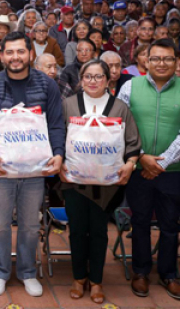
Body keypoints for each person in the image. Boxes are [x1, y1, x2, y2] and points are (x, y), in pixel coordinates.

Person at [0, 32, 65, 298]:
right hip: (1, 168)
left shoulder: (47, 86)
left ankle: (27, 271)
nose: (15, 57)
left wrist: (58, 154)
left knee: (29, 223)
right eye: (9, 52)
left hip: (36, 170)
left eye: (20, 52)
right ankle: (0, 271)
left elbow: (56, 124)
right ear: (1, 55)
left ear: (30, 54)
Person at [60, 59, 141, 304]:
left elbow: (133, 143)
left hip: (107, 184)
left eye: (98, 77)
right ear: (81, 79)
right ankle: (78, 277)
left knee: (98, 231)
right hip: (74, 181)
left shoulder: (119, 108)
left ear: (108, 80)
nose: (93, 81)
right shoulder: (68, 105)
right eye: (88, 76)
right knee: (76, 231)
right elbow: (57, 138)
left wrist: (130, 164)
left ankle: (96, 280)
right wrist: (59, 163)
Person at [117, 39, 180, 300]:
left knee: (170, 224)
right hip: (139, 167)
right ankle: (140, 271)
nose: (161, 63)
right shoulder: (130, 87)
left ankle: (169, 273)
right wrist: (141, 156)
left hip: (173, 171)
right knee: (140, 221)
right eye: (156, 58)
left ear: (176, 62)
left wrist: (161, 163)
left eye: (167, 58)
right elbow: (120, 124)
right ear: (146, 61)